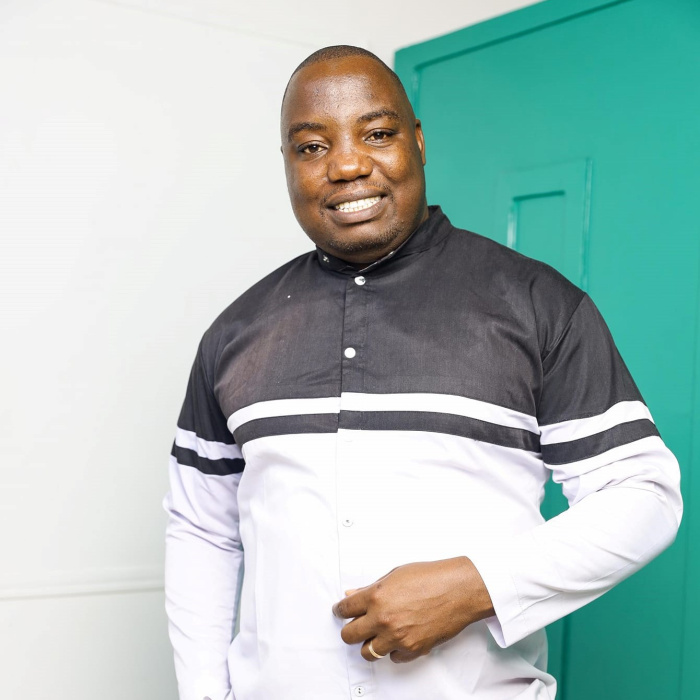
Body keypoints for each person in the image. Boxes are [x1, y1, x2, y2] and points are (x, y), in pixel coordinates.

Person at [164, 45, 682, 700]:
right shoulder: (235, 333)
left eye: (377, 134)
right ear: (289, 165)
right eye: (312, 147)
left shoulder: (537, 304)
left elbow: (642, 495)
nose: (347, 165)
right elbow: (202, 530)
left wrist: (478, 587)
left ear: (418, 141)